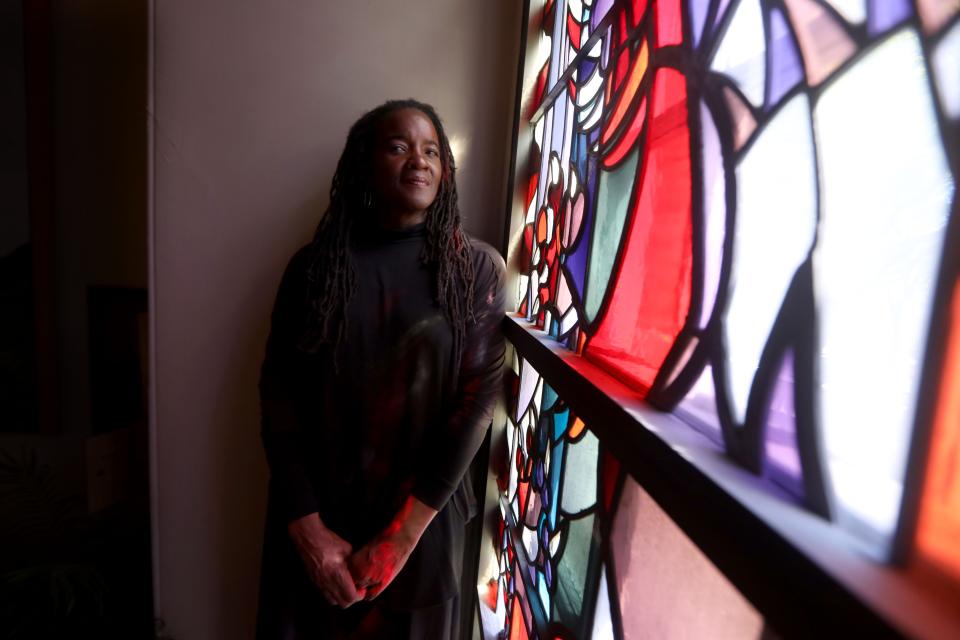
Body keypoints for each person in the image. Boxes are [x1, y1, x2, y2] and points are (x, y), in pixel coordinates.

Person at [255, 99, 506, 639]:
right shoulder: (313, 268)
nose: (419, 160)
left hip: (421, 528)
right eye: (399, 146)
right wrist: (307, 529)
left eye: (432, 150)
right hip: (315, 529)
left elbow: (477, 403)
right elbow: (279, 398)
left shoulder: (474, 270)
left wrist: (402, 536)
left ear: (446, 170)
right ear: (364, 163)